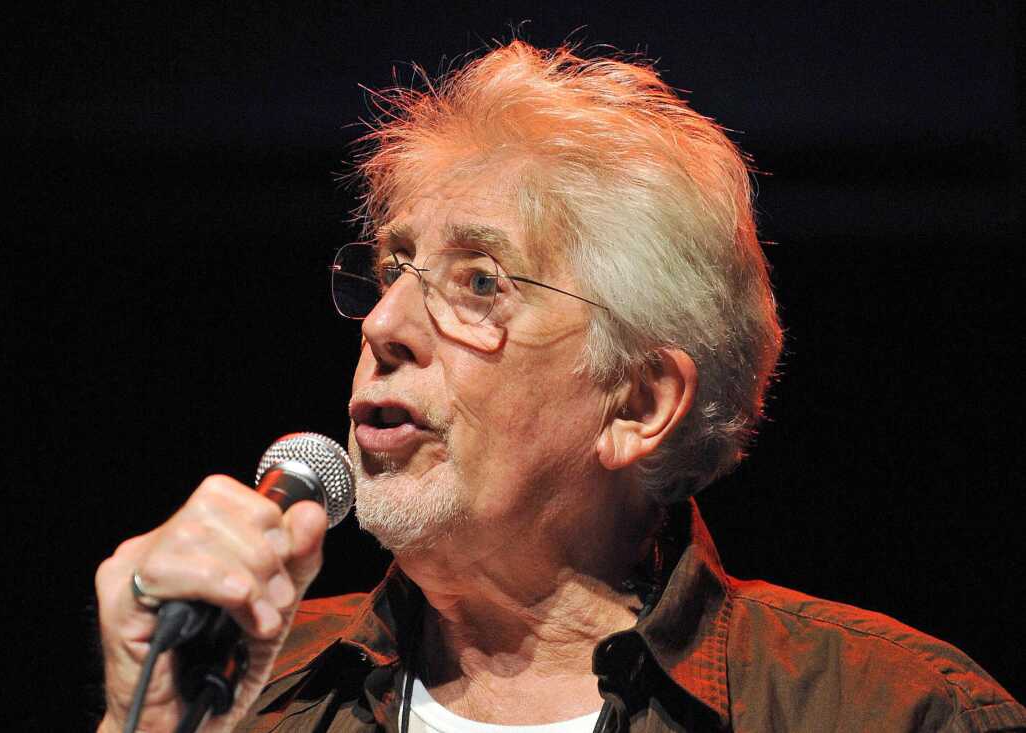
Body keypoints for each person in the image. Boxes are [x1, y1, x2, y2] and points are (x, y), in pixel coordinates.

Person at [95, 41, 1025, 733]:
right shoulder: (245, 690)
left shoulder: (894, 711)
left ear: (637, 402)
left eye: (480, 283)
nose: (382, 327)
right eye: (394, 270)